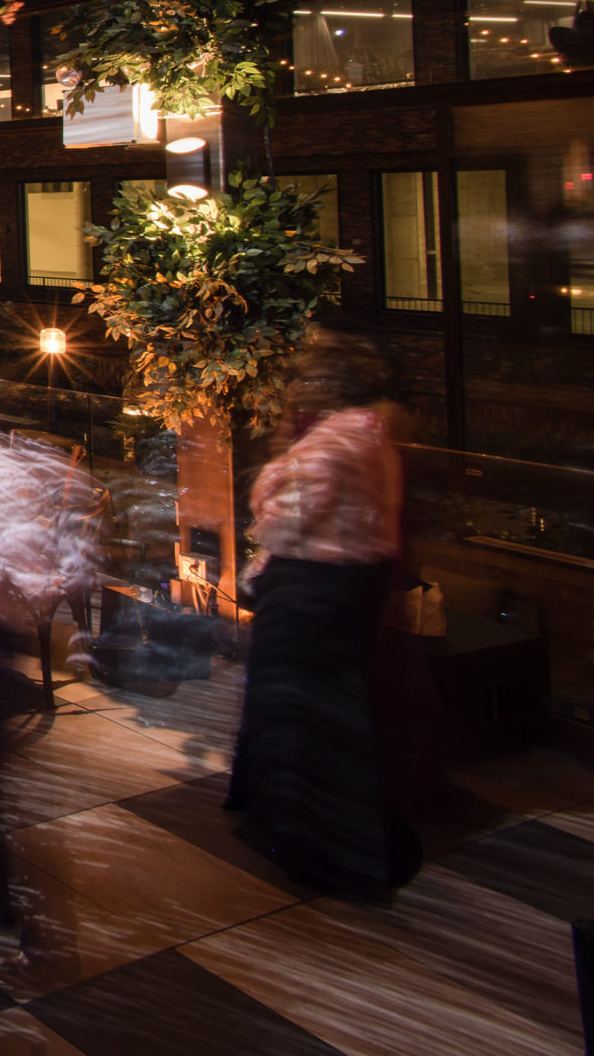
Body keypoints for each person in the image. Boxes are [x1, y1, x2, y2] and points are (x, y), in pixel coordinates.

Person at [226, 328, 418, 901]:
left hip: (307, 591)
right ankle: (344, 839)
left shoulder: (330, 446)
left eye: (309, 379)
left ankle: (322, 846)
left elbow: (285, 522)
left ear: (332, 387)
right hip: (350, 589)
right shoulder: (373, 436)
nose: (300, 388)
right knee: (335, 710)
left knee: (299, 716)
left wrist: (270, 481)